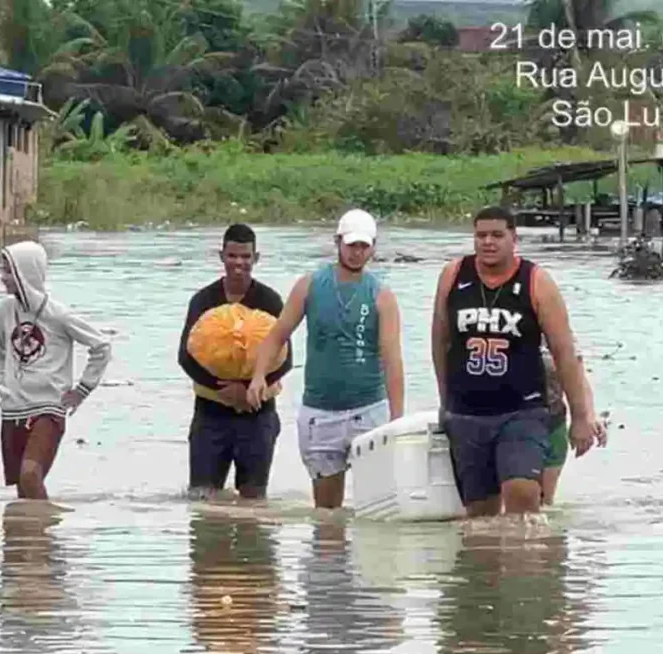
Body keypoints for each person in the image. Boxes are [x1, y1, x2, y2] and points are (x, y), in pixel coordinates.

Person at [430, 205, 601, 518]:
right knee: (480, 513)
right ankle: (489, 565)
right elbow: (440, 341)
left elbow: (565, 353)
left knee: (522, 493)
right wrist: (445, 401)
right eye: (481, 235)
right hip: (467, 413)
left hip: (523, 410)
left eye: (497, 235)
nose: (488, 242)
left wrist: (580, 416)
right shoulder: (454, 275)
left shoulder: (536, 280)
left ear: (514, 238)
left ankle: (526, 565)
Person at [247, 209, 405, 509]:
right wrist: (259, 376)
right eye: (351, 245)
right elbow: (277, 335)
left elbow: (392, 359)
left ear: (372, 247)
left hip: (369, 408)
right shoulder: (309, 285)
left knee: (376, 507)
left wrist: (396, 420)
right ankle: (329, 556)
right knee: (327, 514)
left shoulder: (382, 296)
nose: (357, 253)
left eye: (364, 246)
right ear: (337, 242)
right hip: (321, 412)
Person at [178, 223, 293, 500]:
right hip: (211, 413)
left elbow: (286, 360)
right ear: (221, 256)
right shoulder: (204, 300)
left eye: (245, 256)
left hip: (258, 413)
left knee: (253, 499)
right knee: (203, 498)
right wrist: (224, 390)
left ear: (256, 258)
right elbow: (186, 356)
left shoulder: (270, 301)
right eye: (232, 256)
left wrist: (250, 388)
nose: (239, 263)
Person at [0, 240, 112, 500]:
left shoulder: (58, 315)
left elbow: (101, 346)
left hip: (48, 408)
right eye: (2, 271)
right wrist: (2, 384)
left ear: (26, 273)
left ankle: (44, 534)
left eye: (8, 271)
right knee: (22, 489)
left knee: (30, 475)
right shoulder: (2, 312)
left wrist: (82, 389)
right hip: (12, 409)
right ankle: (29, 539)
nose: (3, 278)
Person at [540, 343, 607, 505]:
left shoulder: (558, 331)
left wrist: (588, 417)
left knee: (543, 506)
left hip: (552, 422)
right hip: (507, 422)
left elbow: (579, 377)